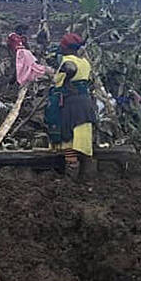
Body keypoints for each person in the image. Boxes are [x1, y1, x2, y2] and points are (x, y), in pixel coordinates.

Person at [45, 33, 95, 175]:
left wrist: (53, 76)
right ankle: (87, 171)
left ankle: (71, 173)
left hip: (70, 103)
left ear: (66, 47)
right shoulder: (85, 62)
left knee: (68, 137)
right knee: (82, 135)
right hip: (85, 102)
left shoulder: (67, 61)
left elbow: (58, 81)